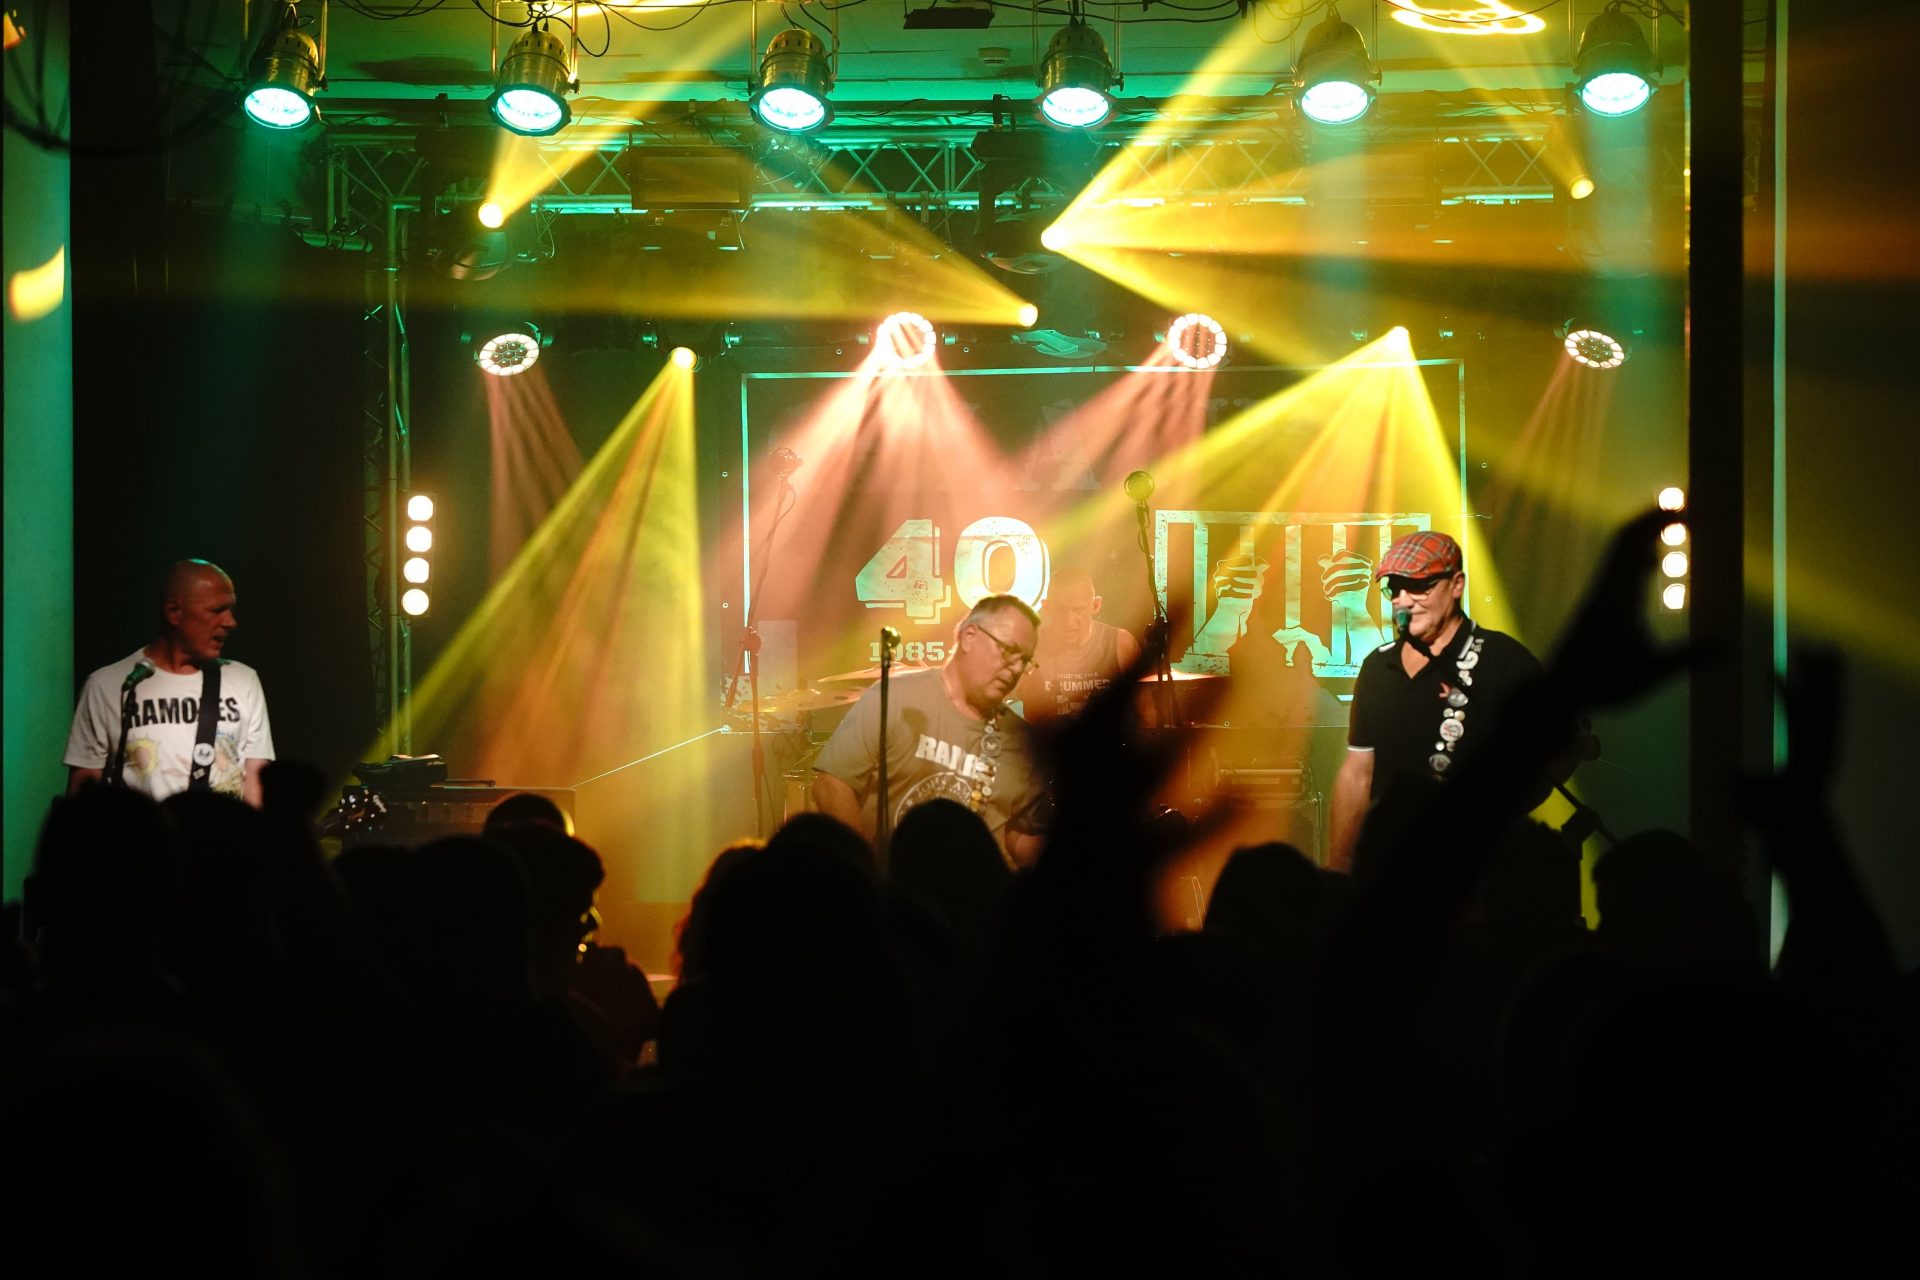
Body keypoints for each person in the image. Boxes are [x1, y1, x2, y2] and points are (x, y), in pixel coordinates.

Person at [1326, 531, 1542, 871]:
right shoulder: (1378, 666)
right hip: (1389, 864)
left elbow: (1556, 753)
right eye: (1395, 588)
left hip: (1474, 870)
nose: (1403, 600)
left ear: (1457, 585)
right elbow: (1357, 772)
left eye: (1419, 586)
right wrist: (1339, 865)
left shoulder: (1503, 660)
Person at [813, 594, 1048, 866]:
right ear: (969, 637)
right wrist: (866, 873)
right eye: (1008, 651)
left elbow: (1021, 835)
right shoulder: (896, 698)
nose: (1016, 668)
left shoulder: (1021, 741)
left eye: (1025, 660)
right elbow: (831, 786)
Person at [64, 560, 275, 807]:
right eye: (218, 610)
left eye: (231, 610)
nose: (230, 622)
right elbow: (84, 791)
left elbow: (255, 785)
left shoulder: (244, 681)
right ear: (174, 612)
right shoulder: (108, 685)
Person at [1014, 567, 1142, 722]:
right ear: (1047, 607)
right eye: (1061, 610)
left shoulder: (1120, 644)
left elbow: (1145, 712)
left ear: (1095, 605)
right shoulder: (1028, 648)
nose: (1069, 622)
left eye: (1078, 610)